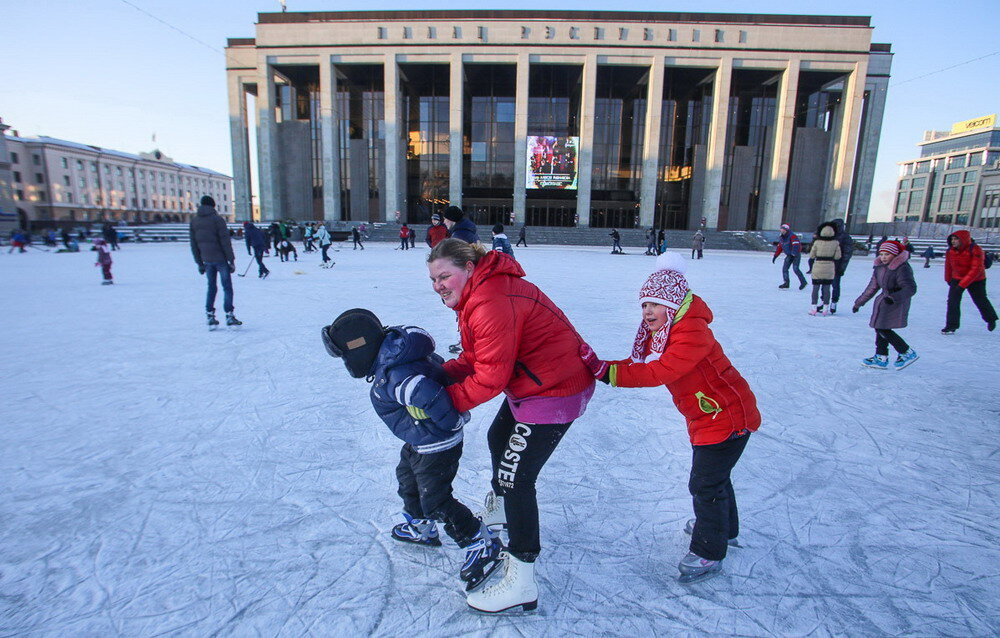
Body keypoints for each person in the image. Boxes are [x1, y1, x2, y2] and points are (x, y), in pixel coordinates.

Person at [427, 238, 595, 613]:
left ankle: (521, 579)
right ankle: (503, 509)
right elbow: (477, 356)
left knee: (516, 478)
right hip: (536, 381)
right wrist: (437, 375)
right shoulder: (481, 292)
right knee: (498, 436)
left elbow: (490, 377)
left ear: (468, 268)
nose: (438, 285)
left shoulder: (490, 301)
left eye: (444, 276)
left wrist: (440, 404)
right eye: (433, 279)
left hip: (555, 390)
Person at [579, 252, 760, 583]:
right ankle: (723, 528)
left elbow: (660, 370)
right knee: (716, 479)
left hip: (727, 416)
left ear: (673, 305)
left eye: (655, 304)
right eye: (644, 304)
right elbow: (640, 363)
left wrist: (609, 374)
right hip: (709, 415)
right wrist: (602, 367)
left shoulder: (691, 331)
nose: (647, 311)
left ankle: (709, 549)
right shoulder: (666, 329)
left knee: (705, 483)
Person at [321, 308, 503, 591]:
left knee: (436, 499)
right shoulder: (392, 361)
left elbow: (429, 394)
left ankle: (480, 541)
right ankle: (422, 527)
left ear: (360, 347)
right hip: (420, 439)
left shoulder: (396, 376)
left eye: (346, 354)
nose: (347, 361)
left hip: (437, 444)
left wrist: (452, 421)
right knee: (407, 479)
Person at [853, 240, 918, 370]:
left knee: (882, 328)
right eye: (881, 254)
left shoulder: (902, 268)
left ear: (895, 255)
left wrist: (893, 297)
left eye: (887, 254)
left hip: (896, 301)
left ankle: (906, 351)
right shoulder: (879, 268)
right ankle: (881, 356)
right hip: (883, 301)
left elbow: (910, 288)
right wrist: (859, 303)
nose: (883, 257)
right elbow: (872, 287)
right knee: (879, 327)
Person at [190, 195, 240, 329]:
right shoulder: (217, 220)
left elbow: (194, 244)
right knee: (227, 287)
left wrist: (199, 263)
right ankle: (229, 315)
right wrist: (231, 260)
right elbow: (225, 241)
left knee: (211, 287)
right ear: (213, 206)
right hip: (221, 259)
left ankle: (210, 315)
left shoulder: (194, 221)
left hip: (206, 260)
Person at [941, 230, 997, 334]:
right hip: (957, 278)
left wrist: (962, 285)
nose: (953, 241)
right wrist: (948, 279)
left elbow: (976, 269)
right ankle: (951, 325)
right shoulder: (950, 251)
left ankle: (991, 319)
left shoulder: (976, 249)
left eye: (956, 239)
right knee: (953, 301)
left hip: (976, 279)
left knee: (980, 300)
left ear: (963, 239)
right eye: (952, 239)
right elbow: (948, 266)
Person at [807, 222, 841, 316]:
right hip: (829, 267)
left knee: (815, 288)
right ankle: (825, 309)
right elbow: (838, 256)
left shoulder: (817, 242)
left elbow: (812, 255)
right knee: (827, 288)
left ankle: (813, 308)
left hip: (818, 266)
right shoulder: (835, 243)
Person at [829, 218, 854, 313]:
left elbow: (847, 254)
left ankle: (834, 302)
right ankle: (824, 302)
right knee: (825, 285)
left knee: (835, 284)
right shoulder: (830, 236)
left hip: (837, 265)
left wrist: (842, 268)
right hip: (827, 265)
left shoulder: (845, 237)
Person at [772, 223, 807, 290]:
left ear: (786, 230)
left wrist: (793, 253)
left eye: (783, 229)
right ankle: (786, 283)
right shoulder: (782, 237)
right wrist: (775, 256)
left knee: (796, 269)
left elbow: (796, 245)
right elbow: (780, 247)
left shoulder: (792, 236)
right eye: (781, 229)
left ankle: (803, 282)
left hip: (795, 255)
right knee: (785, 269)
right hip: (789, 255)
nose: (781, 230)